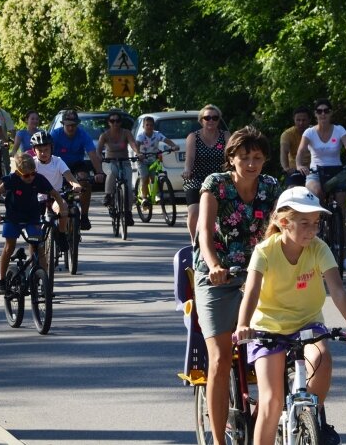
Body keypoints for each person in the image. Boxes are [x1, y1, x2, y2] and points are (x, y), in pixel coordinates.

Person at [235, 187, 346, 445]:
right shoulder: (265, 251)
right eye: (305, 223)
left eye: (316, 224)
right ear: (284, 223)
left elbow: (337, 290)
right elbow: (251, 292)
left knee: (322, 359)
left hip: (308, 324)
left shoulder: (319, 248)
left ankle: (312, 418)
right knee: (271, 403)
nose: (312, 230)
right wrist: (243, 325)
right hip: (268, 328)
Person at [193, 126, 280, 445]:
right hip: (216, 274)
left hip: (258, 273)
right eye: (244, 157)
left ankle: (277, 415)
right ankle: (218, 441)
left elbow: (278, 230)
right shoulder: (215, 185)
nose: (251, 164)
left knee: (281, 346)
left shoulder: (270, 187)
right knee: (219, 357)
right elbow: (204, 231)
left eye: (257, 157)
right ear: (231, 158)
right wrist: (214, 266)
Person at [296, 98, 346, 272]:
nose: (323, 114)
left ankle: (343, 255)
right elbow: (301, 151)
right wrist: (299, 165)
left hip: (336, 172)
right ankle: (318, 229)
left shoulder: (339, 130)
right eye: (319, 111)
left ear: (331, 113)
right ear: (315, 114)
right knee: (316, 193)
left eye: (326, 110)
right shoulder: (310, 132)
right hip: (316, 172)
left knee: (341, 211)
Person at [0, 153, 67, 295]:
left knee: (38, 247)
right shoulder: (12, 180)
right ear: (18, 173)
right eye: (26, 176)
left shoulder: (39, 179)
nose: (30, 178)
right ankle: (1, 280)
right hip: (13, 217)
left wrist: (62, 211)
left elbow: (55, 194)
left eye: (32, 174)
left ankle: (44, 282)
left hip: (32, 216)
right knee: (9, 246)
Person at [182, 104, 231, 242]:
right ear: (201, 120)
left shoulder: (226, 135)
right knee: (194, 211)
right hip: (197, 177)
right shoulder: (193, 137)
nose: (211, 121)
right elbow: (190, 158)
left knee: (227, 211)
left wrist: (232, 169)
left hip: (219, 178)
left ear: (219, 120)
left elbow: (231, 156)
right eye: (207, 117)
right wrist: (187, 170)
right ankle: (194, 243)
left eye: (214, 118)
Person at [50, 109, 105, 230]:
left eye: (73, 125)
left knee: (85, 181)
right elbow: (48, 153)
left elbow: (92, 154)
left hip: (76, 165)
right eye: (68, 125)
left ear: (77, 125)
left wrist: (99, 172)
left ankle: (84, 216)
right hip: (59, 165)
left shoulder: (83, 135)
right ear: (63, 124)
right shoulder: (55, 134)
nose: (71, 128)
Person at [30, 130, 82, 251]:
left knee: (63, 206)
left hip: (56, 196)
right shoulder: (32, 163)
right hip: (37, 197)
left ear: (51, 148)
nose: (43, 153)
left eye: (46, 149)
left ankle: (61, 233)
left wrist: (76, 185)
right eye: (40, 150)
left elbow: (68, 175)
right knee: (35, 226)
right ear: (34, 151)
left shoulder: (57, 161)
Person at [97, 112, 141, 227]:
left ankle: (128, 213)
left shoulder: (126, 132)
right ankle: (108, 196)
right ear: (108, 123)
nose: (115, 123)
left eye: (117, 121)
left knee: (128, 188)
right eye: (112, 121)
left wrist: (138, 152)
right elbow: (98, 150)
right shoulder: (105, 135)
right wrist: (100, 157)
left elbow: (133, 143)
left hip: (124, 161)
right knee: (112, 172)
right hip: (109, 161)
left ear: (121, 122)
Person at [135, 116, 179, 207]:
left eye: (151, 125)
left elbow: (166, 140)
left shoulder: (157, 134)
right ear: (143, 126)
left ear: (153, 126)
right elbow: (137, 145)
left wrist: (174, 146)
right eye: (147, 125)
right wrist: (138, 153)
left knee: (154, 177)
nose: (149, 127)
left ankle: (157, 195)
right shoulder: (141, 136)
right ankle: (144, 198)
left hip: (153, 159)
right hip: (142, 160)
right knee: (145, 177)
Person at [280, 106, 312, 187]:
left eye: (304, 120)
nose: (301, 123)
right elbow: (284, 152)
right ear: (294, 120)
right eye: (298, 120)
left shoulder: (315, 132)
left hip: (313, 169)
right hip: (295, 170)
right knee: (291, 189)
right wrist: (286, 168)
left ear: (309, 120)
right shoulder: (287, 134)